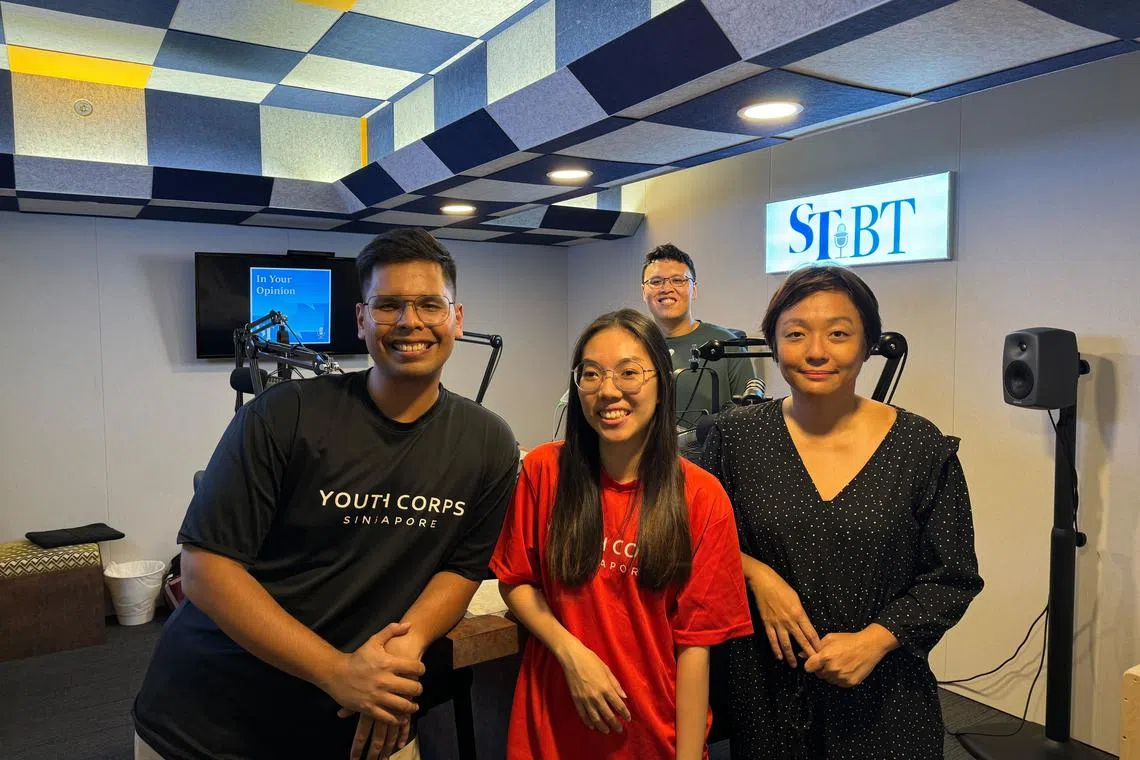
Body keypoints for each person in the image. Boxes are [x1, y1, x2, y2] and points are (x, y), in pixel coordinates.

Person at [132, 229, 519, 760]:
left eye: (430, 304)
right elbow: (204, 570)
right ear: (361, 319)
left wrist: (401, 653)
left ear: (456, 318)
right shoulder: (284, 415)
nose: (410, 321)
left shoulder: (487, 442)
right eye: (388, 305)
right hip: (214, 724)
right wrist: (338, 672)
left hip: (367, 725)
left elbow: (461, 568)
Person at [701, 265, 983, 760]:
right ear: (774, 344)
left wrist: (876, 640)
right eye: (795, 334)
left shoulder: (919, 446)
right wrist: (754, 573)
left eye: (838, 334)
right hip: (768, 698)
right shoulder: (736, 438)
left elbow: (952, 577)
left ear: (868, 343)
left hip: (885, 699)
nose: (816, 351)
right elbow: (692, 535)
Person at [491, 308, 754, 760]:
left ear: (662, 383)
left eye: (629, 372)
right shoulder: (544, 470)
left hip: (651, 735)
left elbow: (695, 648)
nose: (608, 390)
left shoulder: (701, 496)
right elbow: (516, 581)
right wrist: (571, 653)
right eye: (591, 374)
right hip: (549, 732)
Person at [640, 244, 758, 461]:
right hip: (645, 469)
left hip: (711, 471)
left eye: (678, 280)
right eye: (656, 282)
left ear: (694, 289)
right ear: (643, 291)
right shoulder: (635, 345)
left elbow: (748, 420)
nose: (666, 288)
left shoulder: (726, 345)